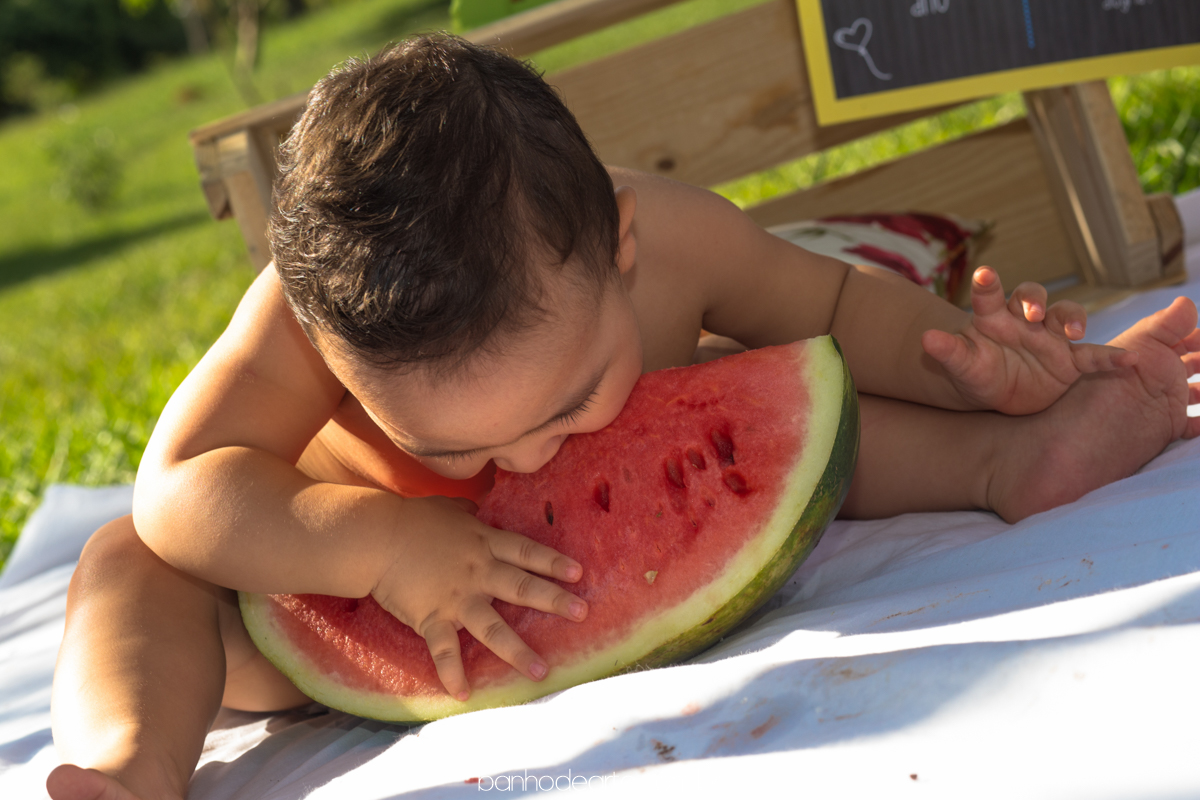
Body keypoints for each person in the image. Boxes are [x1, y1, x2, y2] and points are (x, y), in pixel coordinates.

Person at [46, 34, 1200, 800]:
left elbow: (840, 308)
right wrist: (377, 536)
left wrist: (963, 362)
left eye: (561, 400)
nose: (528, 453)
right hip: (345, 613)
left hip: (617, 543)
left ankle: (1014, 458)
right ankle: (131, 763)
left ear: (623, 246)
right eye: (449, 442)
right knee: (129, 561)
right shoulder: (301, 319)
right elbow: (180, 480)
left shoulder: (677, 238)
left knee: (731, 406)